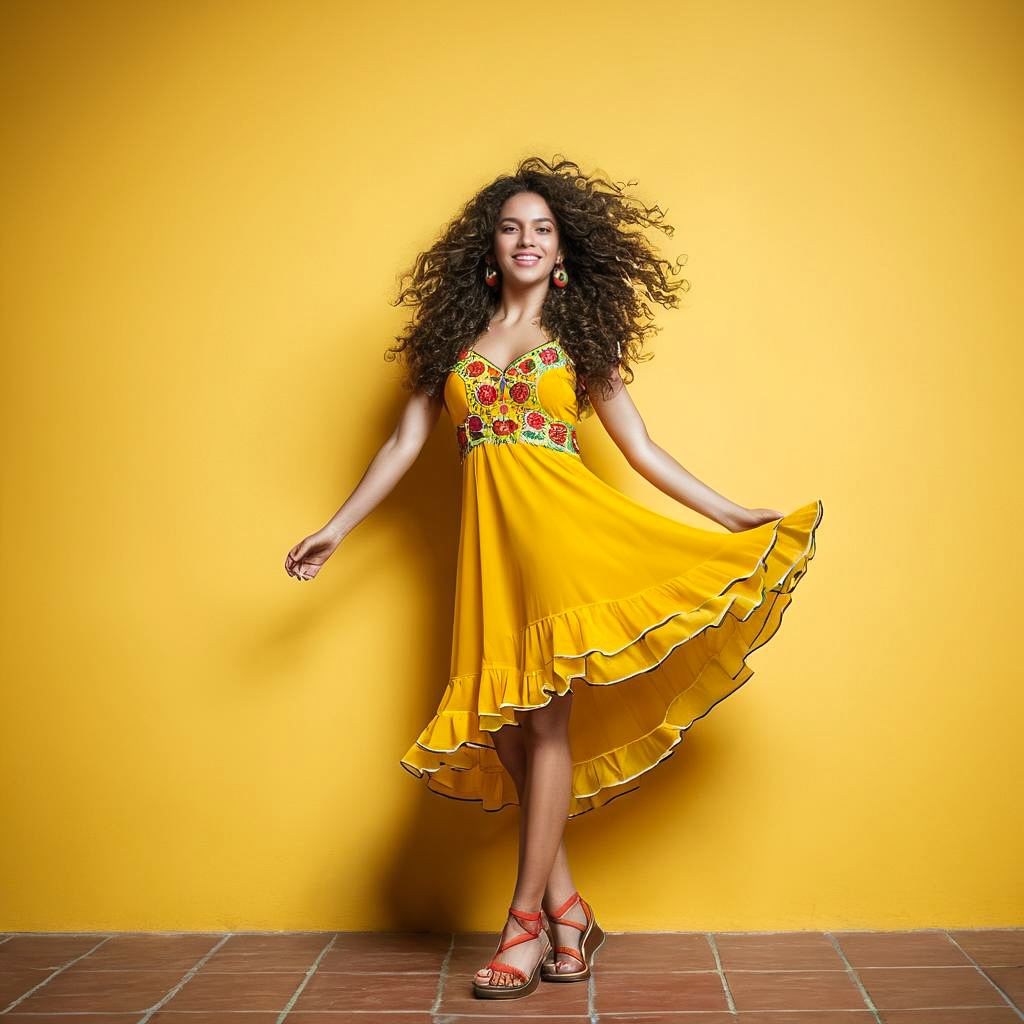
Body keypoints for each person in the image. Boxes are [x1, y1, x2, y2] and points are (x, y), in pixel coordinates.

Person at [284, 155, 823, 1000]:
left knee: (542, 730)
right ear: (488, 248)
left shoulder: (577, 341)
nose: (527, 240)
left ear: (562, 248)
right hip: (490, 559)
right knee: (505, 732)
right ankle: (570, 911)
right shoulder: (450, 344)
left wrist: (727, 514)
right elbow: (402, 444)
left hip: (568, 544)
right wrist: (336, 528)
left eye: (542, 228)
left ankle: (523, 925)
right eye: (511, 227)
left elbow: (639, 448)